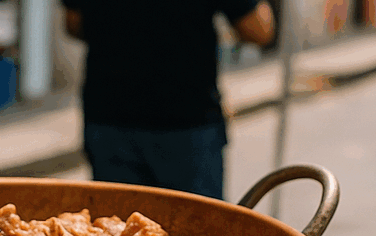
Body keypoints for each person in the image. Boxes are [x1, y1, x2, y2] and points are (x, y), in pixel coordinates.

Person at [61, 0, 275, 201]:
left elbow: (74, 24)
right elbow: (258, 29)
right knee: (196, 231)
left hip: (109, 111)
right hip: (184, 118)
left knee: (115, 228)